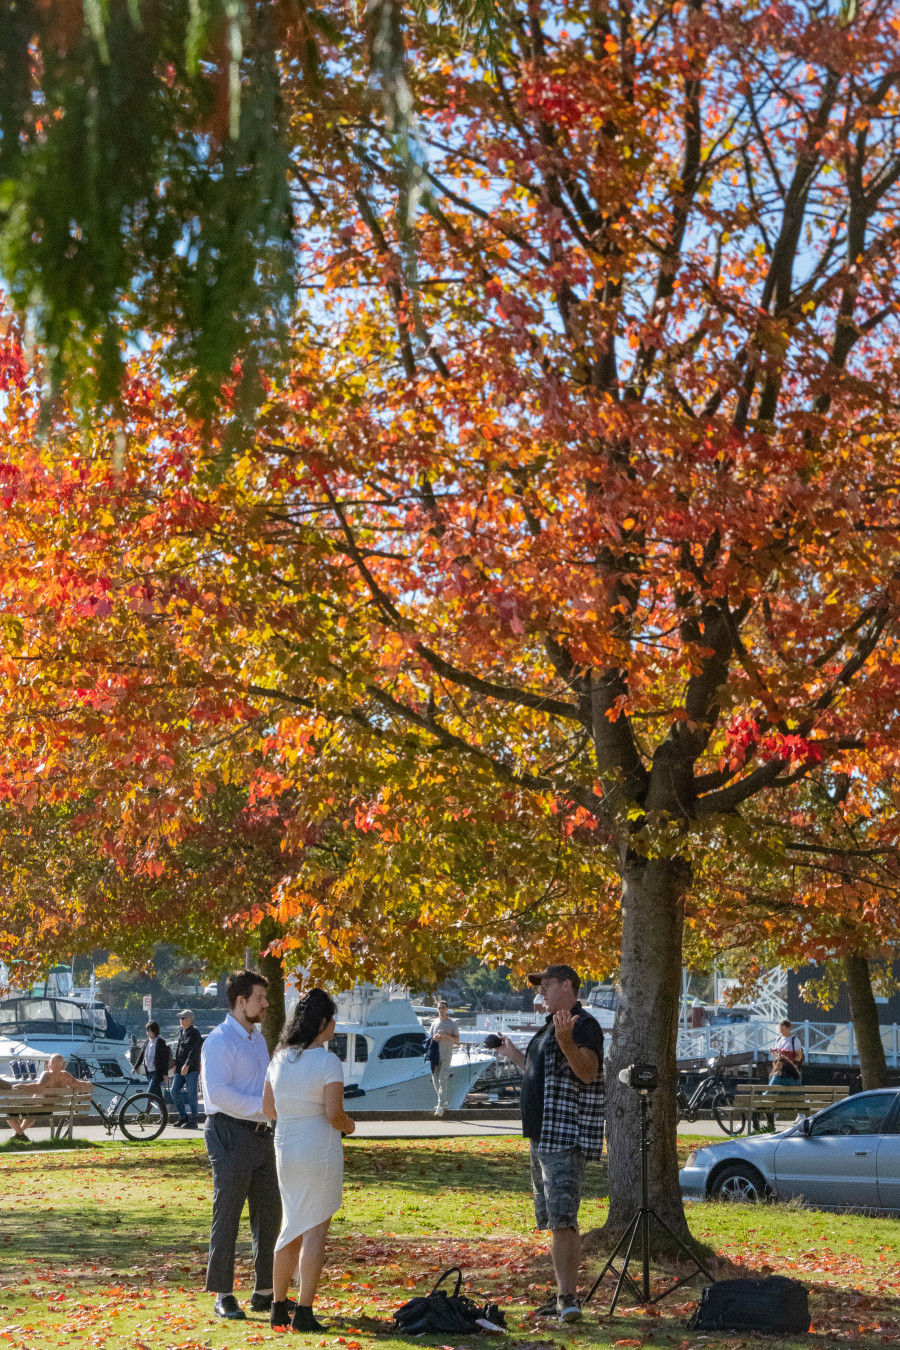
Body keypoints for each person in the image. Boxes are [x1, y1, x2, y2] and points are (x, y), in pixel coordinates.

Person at [497, 964, 604, 1325]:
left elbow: (587, 1071)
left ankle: (568, 1298)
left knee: (563, 1219)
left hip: (563, 1136)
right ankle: (562, 1293)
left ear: (567, 985)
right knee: (552, 1219)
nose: (540, 991)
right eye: (539, 986)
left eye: (546, 984)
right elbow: (540, 1071)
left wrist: (565, 1042)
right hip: (541, 1135)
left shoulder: (582, 1024)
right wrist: (514, 1055)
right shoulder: (551, 1026)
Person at [262, 988, 356, 1332]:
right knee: (315, 1227)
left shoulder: (279, 1058)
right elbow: (334, 1113)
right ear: (322, 1022)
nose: (335, 1026)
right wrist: (351, 1126)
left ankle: (277, 1306)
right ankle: (304, 1311)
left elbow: (268, 1108)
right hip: (319, 1149)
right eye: (332, 1020)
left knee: (290, 1226)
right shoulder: (328, 1061)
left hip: (285, 1146)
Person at [201, 969, 280, 1321]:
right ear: (240, 1000)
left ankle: (265, 1292)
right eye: (260, 998)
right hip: (229, 1132)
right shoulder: (218, 1040)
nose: (266, 1003)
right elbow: (217, 1094)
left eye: (265, 997)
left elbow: (264, 1086)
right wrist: (264, 1109)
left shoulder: (258, 1039)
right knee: (228, 1214)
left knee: (269, 1214)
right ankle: (223, 1293)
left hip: (263, 1134)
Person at [3, 1055, 91, 1142]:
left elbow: (38, 1087)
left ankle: (21, 1135)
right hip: (49, 1109)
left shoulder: (47, 1074)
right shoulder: (66, 1076)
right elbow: (79, 1085)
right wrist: (88, 1084)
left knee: (9, 1113)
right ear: (62, 1064)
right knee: (30, 1114)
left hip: (37, 1107)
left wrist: (21, 1085)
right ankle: (19, 1135)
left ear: (51, 1063)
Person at [171, 1010, 203, 1129]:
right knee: (174, 1091)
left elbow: (194, 1051)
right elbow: (179, 1049)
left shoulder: (195, 1033)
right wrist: (175, 1064)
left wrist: (187, 1064)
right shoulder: (182, 1032)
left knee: (192, 1095)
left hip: (191, 1069)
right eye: (181, 1018)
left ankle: (193, 1120)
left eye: (183, 1018)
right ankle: (182, 1116)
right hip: (180, 1068)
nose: (181, 1020)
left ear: (190, 1019)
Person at [428, 1000, 460, 1117]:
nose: (441, 1010)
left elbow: (457, 1040)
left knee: (443, 1080)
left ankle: (440, 1105)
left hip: (446, 1056)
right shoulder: (434, 1023)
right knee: (435, 1081)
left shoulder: (452, 1024)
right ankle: (444, 1102)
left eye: (443, 1008)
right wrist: (434, 1038)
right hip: (435, 1057)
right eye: (439, 1008)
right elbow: (430, 1039)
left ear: (447, 1009)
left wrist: (446, 1035)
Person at [139, 1022, 171, 1104]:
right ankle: (165, 1112)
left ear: (155, 1031)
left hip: (157, 1072)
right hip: (149, 1072)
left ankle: (145, 1113)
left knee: (150, 1092)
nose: (148, 1032)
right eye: (147, 1030)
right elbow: (142, 1055)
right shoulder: (147, 1042)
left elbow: (165, 1059)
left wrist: (165, 1073)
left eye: (149, 1030)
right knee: (158, 1095)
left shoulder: (160, 1042)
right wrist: (135, 1067)